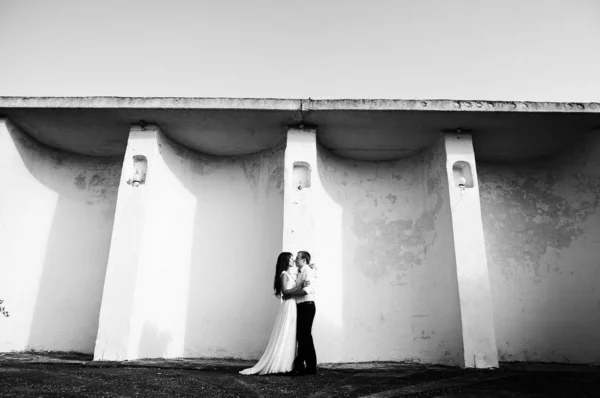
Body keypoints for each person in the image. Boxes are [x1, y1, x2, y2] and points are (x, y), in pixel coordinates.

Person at [239, 252, 310, 375]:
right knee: (286, 331)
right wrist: (301, 287)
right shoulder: (284, 274)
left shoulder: (292, 274)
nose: (293, 260)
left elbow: (292, 289)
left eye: (294, 258)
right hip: (288, 306)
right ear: (286, 260)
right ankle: (280, 362)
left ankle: (288, 363)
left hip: (293, 305)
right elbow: (285, 292)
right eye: (291, 258)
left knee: (291, 334)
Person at [284, 250, 317, 376]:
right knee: (303, 337)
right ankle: (308, 366)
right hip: (302, 306)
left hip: (307, 306)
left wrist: (290, 293)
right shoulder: (301, 271)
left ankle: (303, 366)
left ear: (303, 260)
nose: (296, 260)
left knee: (304, 336)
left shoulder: (308, 271)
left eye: (298, 258)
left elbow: (306, 290)